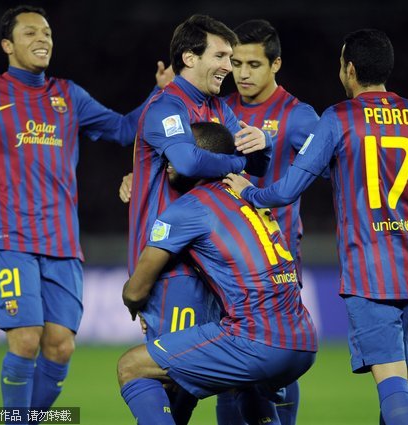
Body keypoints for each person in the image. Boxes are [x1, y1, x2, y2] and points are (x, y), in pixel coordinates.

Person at [0, 5, 169, 422]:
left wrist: (161, 95)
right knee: (26, 339)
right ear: (7, 45)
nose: (42, 39)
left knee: (61, 345)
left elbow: (123, 129)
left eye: (46, 32)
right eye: (30, 33)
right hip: (8, 238)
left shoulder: (69, 95)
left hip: (62, 242)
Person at [225, 28, 408, 425]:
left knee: (392, 388)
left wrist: (248, 194)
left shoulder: (339, 118)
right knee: (403, 386)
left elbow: (288, 189)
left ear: (350, 70)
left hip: (370, 272)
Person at [119, 121, 317, 425]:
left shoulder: (189, 208)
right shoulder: (247, 195)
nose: (170, 162)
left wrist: (134, 303)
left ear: (198, 159)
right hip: (302, 337)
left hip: (257, 339)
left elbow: (135, 291)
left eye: (178, 154)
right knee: (244, 386)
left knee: (131, 366)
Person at [126, 14, 271, 424]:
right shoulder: (166, 106)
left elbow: (259, 161)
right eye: (221, 55)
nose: (230, 65)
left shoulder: (219, 107)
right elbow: (187, 160)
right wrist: (240, 158)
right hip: (174, 265)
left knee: (200, 381)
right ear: (189, 57)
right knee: (172, 379)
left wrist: (264, 142)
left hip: (213, 264)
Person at [217, 19, 320, 425]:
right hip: (223, 256)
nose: (242, 73)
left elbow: (331, 168)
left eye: (253, 64)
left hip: (275, 257)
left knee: (277, 361)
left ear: (275, 64)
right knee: (227, 366)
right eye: (236, 62)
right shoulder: (220, 108)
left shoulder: (298, 116)